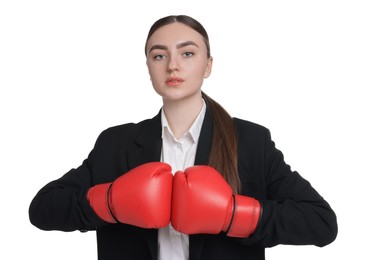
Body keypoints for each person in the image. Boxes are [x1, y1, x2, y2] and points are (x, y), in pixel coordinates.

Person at [29, 15, 338, 260]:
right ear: (148, 68)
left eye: (187, 53)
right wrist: (109, 202)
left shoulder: (250, 141)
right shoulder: (115, 143)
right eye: (159, 55)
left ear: (208, 66)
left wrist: (233, 215)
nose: (173, 65)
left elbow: (321, 223)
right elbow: (42, 208)